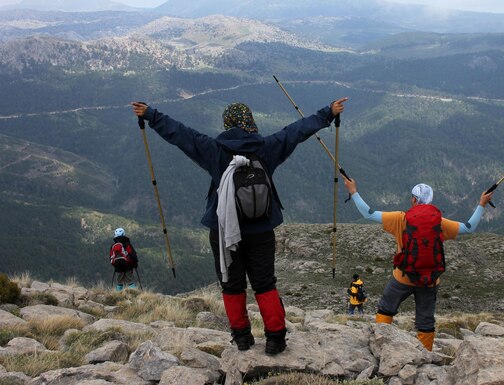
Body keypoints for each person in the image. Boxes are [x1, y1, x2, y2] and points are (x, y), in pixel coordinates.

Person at [131, 98, 348, 355]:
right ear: (250, 121)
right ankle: (276, 339)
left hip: (224, 232)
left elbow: (181, 135)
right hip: (261, 229)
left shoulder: (213, 149)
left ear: (227, 123)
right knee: (265, 284)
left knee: (232, 285)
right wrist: (328, 113)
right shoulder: (267, 147)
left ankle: (242, 338)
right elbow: (297, 131)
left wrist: (151, 115)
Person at [342, 176, 493, 351]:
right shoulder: (440, 222)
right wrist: (482, 204)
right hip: (430, 280)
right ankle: (425, 355)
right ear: (430, 201)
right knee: (425, 319)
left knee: (386, 308)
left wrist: (353, 191)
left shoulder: (400, 218)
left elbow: (368, 214)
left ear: (413, 199)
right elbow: (468, 227)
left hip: (402, 278)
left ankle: (380, 346)